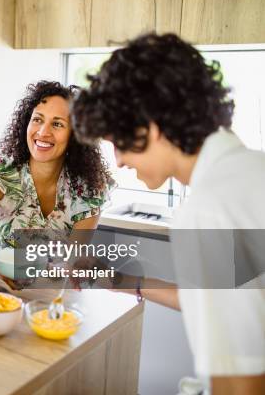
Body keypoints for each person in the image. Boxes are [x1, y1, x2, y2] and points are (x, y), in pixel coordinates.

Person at [72, 33, 265, 394]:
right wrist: (119, 280)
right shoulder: (253, 172)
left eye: (117, 141)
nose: (119, 160)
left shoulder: (208, 210)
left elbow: (241, 385)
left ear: (150, 127)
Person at [0, 81, 113, 289]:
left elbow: (75, 254)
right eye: (37, 119)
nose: (43, 132)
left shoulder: (88, 189)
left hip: (55, 297)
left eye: (58, 123)